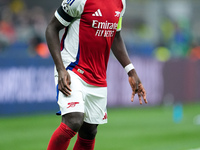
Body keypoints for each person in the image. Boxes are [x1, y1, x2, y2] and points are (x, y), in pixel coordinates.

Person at [45, 0, 147, 149]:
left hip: (98, 76)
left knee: (90, 131)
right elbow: (51, 28)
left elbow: (116, 37)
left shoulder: (120, 3)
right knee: (74, 120)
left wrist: (131, 71)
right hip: (72, 68)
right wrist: (61, 69)